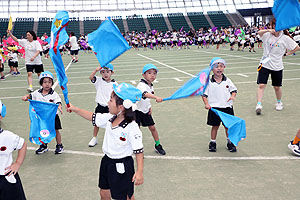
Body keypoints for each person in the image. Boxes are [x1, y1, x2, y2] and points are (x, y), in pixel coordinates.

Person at [67, 82, 144, 200]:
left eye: (111, 100)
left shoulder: (132, 127)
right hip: (107, 162)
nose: (107, 102)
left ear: (121, 107)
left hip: (122, 165)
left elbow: (139, 151)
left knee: (125, 197)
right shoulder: (110, 118)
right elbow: (93, 117)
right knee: (104, 192)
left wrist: (139, 172)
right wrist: (75, 109)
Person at [255, 18, 300, 115]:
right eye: (273, 25)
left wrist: (287, 54)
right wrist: (268, 30)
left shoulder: (285, 38)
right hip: (265, 63)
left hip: (277, 65)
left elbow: (297, 47)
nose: (274, 27)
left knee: (277, 87)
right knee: (261, 84)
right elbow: (259, 32)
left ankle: (279, 102)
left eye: (276, 25)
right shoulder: (266, 35)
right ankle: (259, 104)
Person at [22, 71, 64, 154]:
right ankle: (43, 146)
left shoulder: (54, 94)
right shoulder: (37, 93)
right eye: (45, 82)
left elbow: (58, 102)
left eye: (49, 82)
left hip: (52, 117)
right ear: (41, 83)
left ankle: (59, 145)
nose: (47, 84)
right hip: (42, 117)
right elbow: (30, 96)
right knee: (42, 130)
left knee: (56, 130)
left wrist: (59, 107)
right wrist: (26, 97)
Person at [202, 57, 238, 152]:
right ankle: (212, 142)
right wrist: (206, 104)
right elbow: (204, 95)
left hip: (227, 107)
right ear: (211, 69)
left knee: (227, 126)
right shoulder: (209, 82)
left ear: (224, 67)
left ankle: (230, 142)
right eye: (216, 66)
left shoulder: (227, 80)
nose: (219, 68)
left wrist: (233, 96)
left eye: (221, 66)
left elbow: (233, 90)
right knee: (215, 126)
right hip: (214, 108)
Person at [135, 64, 165, 155]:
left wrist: (149, 107)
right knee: (136, 130)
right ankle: (136, 147)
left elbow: (146, 99)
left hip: (145, 111)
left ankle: (158, 145)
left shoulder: (150, 85)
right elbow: (145, 94)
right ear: (143, 75)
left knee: (152, 128)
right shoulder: (141, 85)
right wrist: (156, 97)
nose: (152, 75)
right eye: (149, 73)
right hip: (136, 111)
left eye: (154, 73)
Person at [0, 102, 27, 200]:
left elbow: (22, 144)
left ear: (0, 116)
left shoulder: (7, 136)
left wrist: (18, 163)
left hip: (6, 177)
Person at [88, 63, 118, 147]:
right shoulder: (98, 80)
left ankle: (113, 139)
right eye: (103, 72)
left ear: (112, 72)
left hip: (110, 108)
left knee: (112, 123)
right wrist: (96, 70)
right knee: (96, 123)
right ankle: (94, 138)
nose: (105, 74)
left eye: (107, 72)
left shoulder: (115, 84)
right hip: (100, 106)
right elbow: (91, 78)